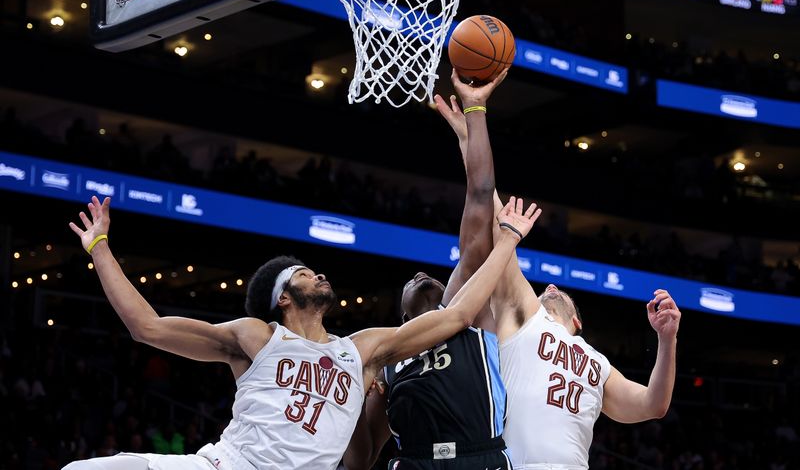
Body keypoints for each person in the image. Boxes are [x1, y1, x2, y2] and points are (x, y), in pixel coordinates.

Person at [62, 189, 540, 470]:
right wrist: (99, 246)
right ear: (283, 299)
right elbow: (147, 327)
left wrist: (507, 242)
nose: (319, 274)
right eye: (305, 273)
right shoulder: (257, 338)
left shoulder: (362, 350)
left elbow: (455, 317)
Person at [438, 114, 681, 470]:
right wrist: (469, 140)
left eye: (556, 291)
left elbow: (652, 404)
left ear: (577, 322)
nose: (548, 288)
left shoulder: (598, 363)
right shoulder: (524, 316)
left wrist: (667, 339)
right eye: (541, 291)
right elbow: (488, 214)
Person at [344, 68, 525, 470]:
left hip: (480, 458)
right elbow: (359, 460)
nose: (420, 275)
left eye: (432, 278)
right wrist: (355, 395)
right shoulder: (387, 356)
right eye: (410, 281)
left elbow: (480, 196)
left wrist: (475, 111)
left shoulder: (465, 311)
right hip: (414, 462)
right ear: (404, 317)